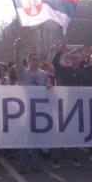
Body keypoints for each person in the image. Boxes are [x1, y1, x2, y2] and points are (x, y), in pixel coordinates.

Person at [13, 38, 53, 174]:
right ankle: (23, 164)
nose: (35, 61)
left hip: (40, 110)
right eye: (33, 59)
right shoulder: (24, 73)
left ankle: (34, 163)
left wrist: (48, 87)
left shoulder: (44, 74)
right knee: (25, 138)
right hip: (26, 109)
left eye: (37, 59)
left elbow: (48, 87)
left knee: (37, 138)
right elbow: (17, 63)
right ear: (29, 61)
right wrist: (17, 49)